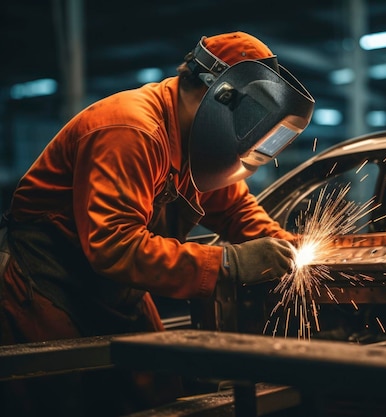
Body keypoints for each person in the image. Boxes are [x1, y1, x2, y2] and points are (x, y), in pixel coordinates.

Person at [0, 31, 315, 416]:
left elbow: (235, 211)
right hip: (48, 283)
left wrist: (285, 247)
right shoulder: (131, 130)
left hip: (118, 288)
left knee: (158, 387)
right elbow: (115, 246)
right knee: (61, 398)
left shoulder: (202, 145)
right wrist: (229, 264)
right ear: (222, 97)